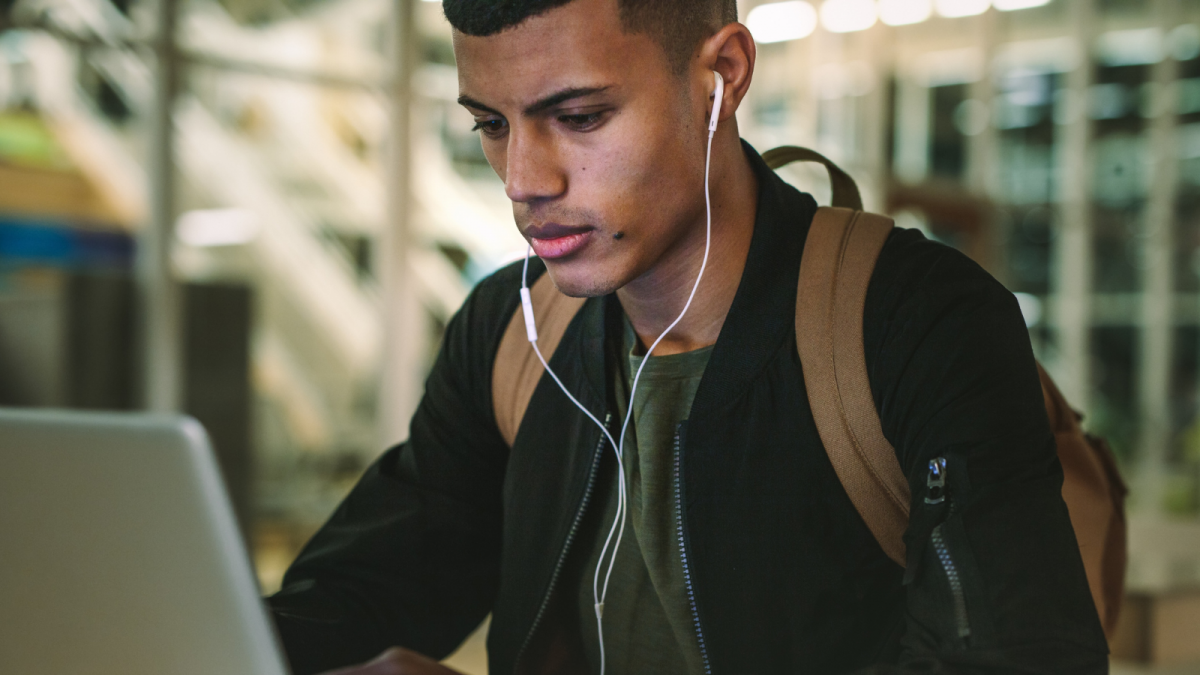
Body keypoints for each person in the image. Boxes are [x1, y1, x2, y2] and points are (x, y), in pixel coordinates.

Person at [266, 0, 1110, 673]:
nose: (525, 181)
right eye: (492, 124)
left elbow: (1009, 657)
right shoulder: (509, 329)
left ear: (723, 76)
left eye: (581, 116)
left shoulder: (918, 321)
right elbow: (367, 583)